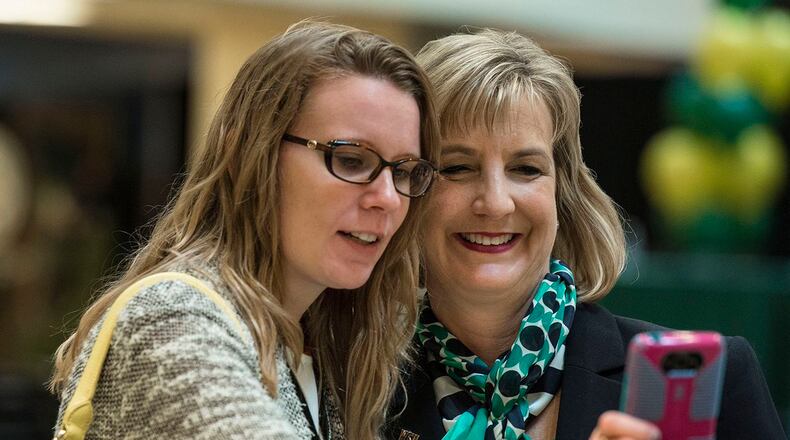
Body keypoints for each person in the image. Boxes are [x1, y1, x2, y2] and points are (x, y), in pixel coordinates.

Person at [385, 29, 786, 439]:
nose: (496, 202)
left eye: (526, 169)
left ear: (564, 195)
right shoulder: (356, 386)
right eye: (457, 167)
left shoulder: (712, 382)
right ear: (407, 191)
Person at [50, 21, 440, 440]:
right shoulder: (171, 318)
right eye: (350, 160)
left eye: (404, 171)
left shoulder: (322, 346)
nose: (388, 197)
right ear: (251, 155)